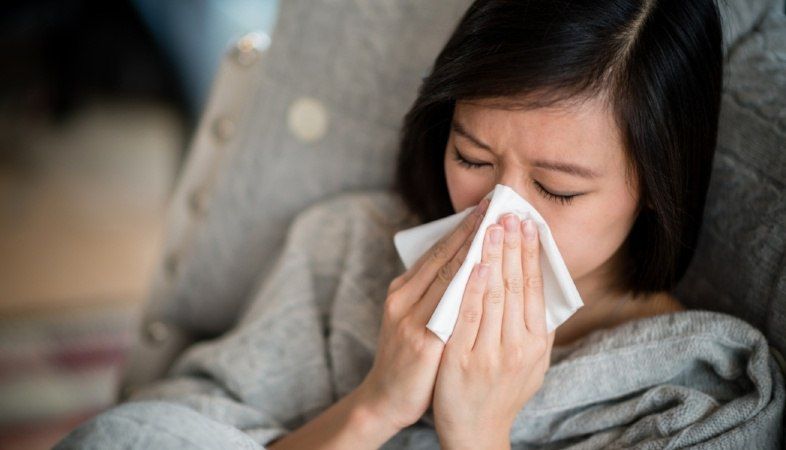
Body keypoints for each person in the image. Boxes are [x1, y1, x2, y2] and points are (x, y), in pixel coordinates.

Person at [56, 0, 784, 449]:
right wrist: (375, 406)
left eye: (557, 189)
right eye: (471, 155)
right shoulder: (345, 248)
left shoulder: (703, 388)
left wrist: (478, 433)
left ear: (656, 187)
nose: (499, 213)